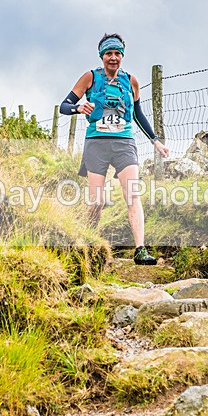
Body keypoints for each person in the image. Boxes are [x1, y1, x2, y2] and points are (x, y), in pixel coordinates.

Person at [60, 33, 169, 265]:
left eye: (117, 54)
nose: (113, 58)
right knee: (97, 200)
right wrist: (79, 108)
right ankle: (86, 243)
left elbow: (138, 115)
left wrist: (155, 140)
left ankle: (140, 249)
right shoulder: (90, 77)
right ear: (102, 56)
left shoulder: (131, 81)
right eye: (109, 53)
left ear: (122, 56)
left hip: (124, 142)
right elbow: (64, 106)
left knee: (132, 194)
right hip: (96, 143)